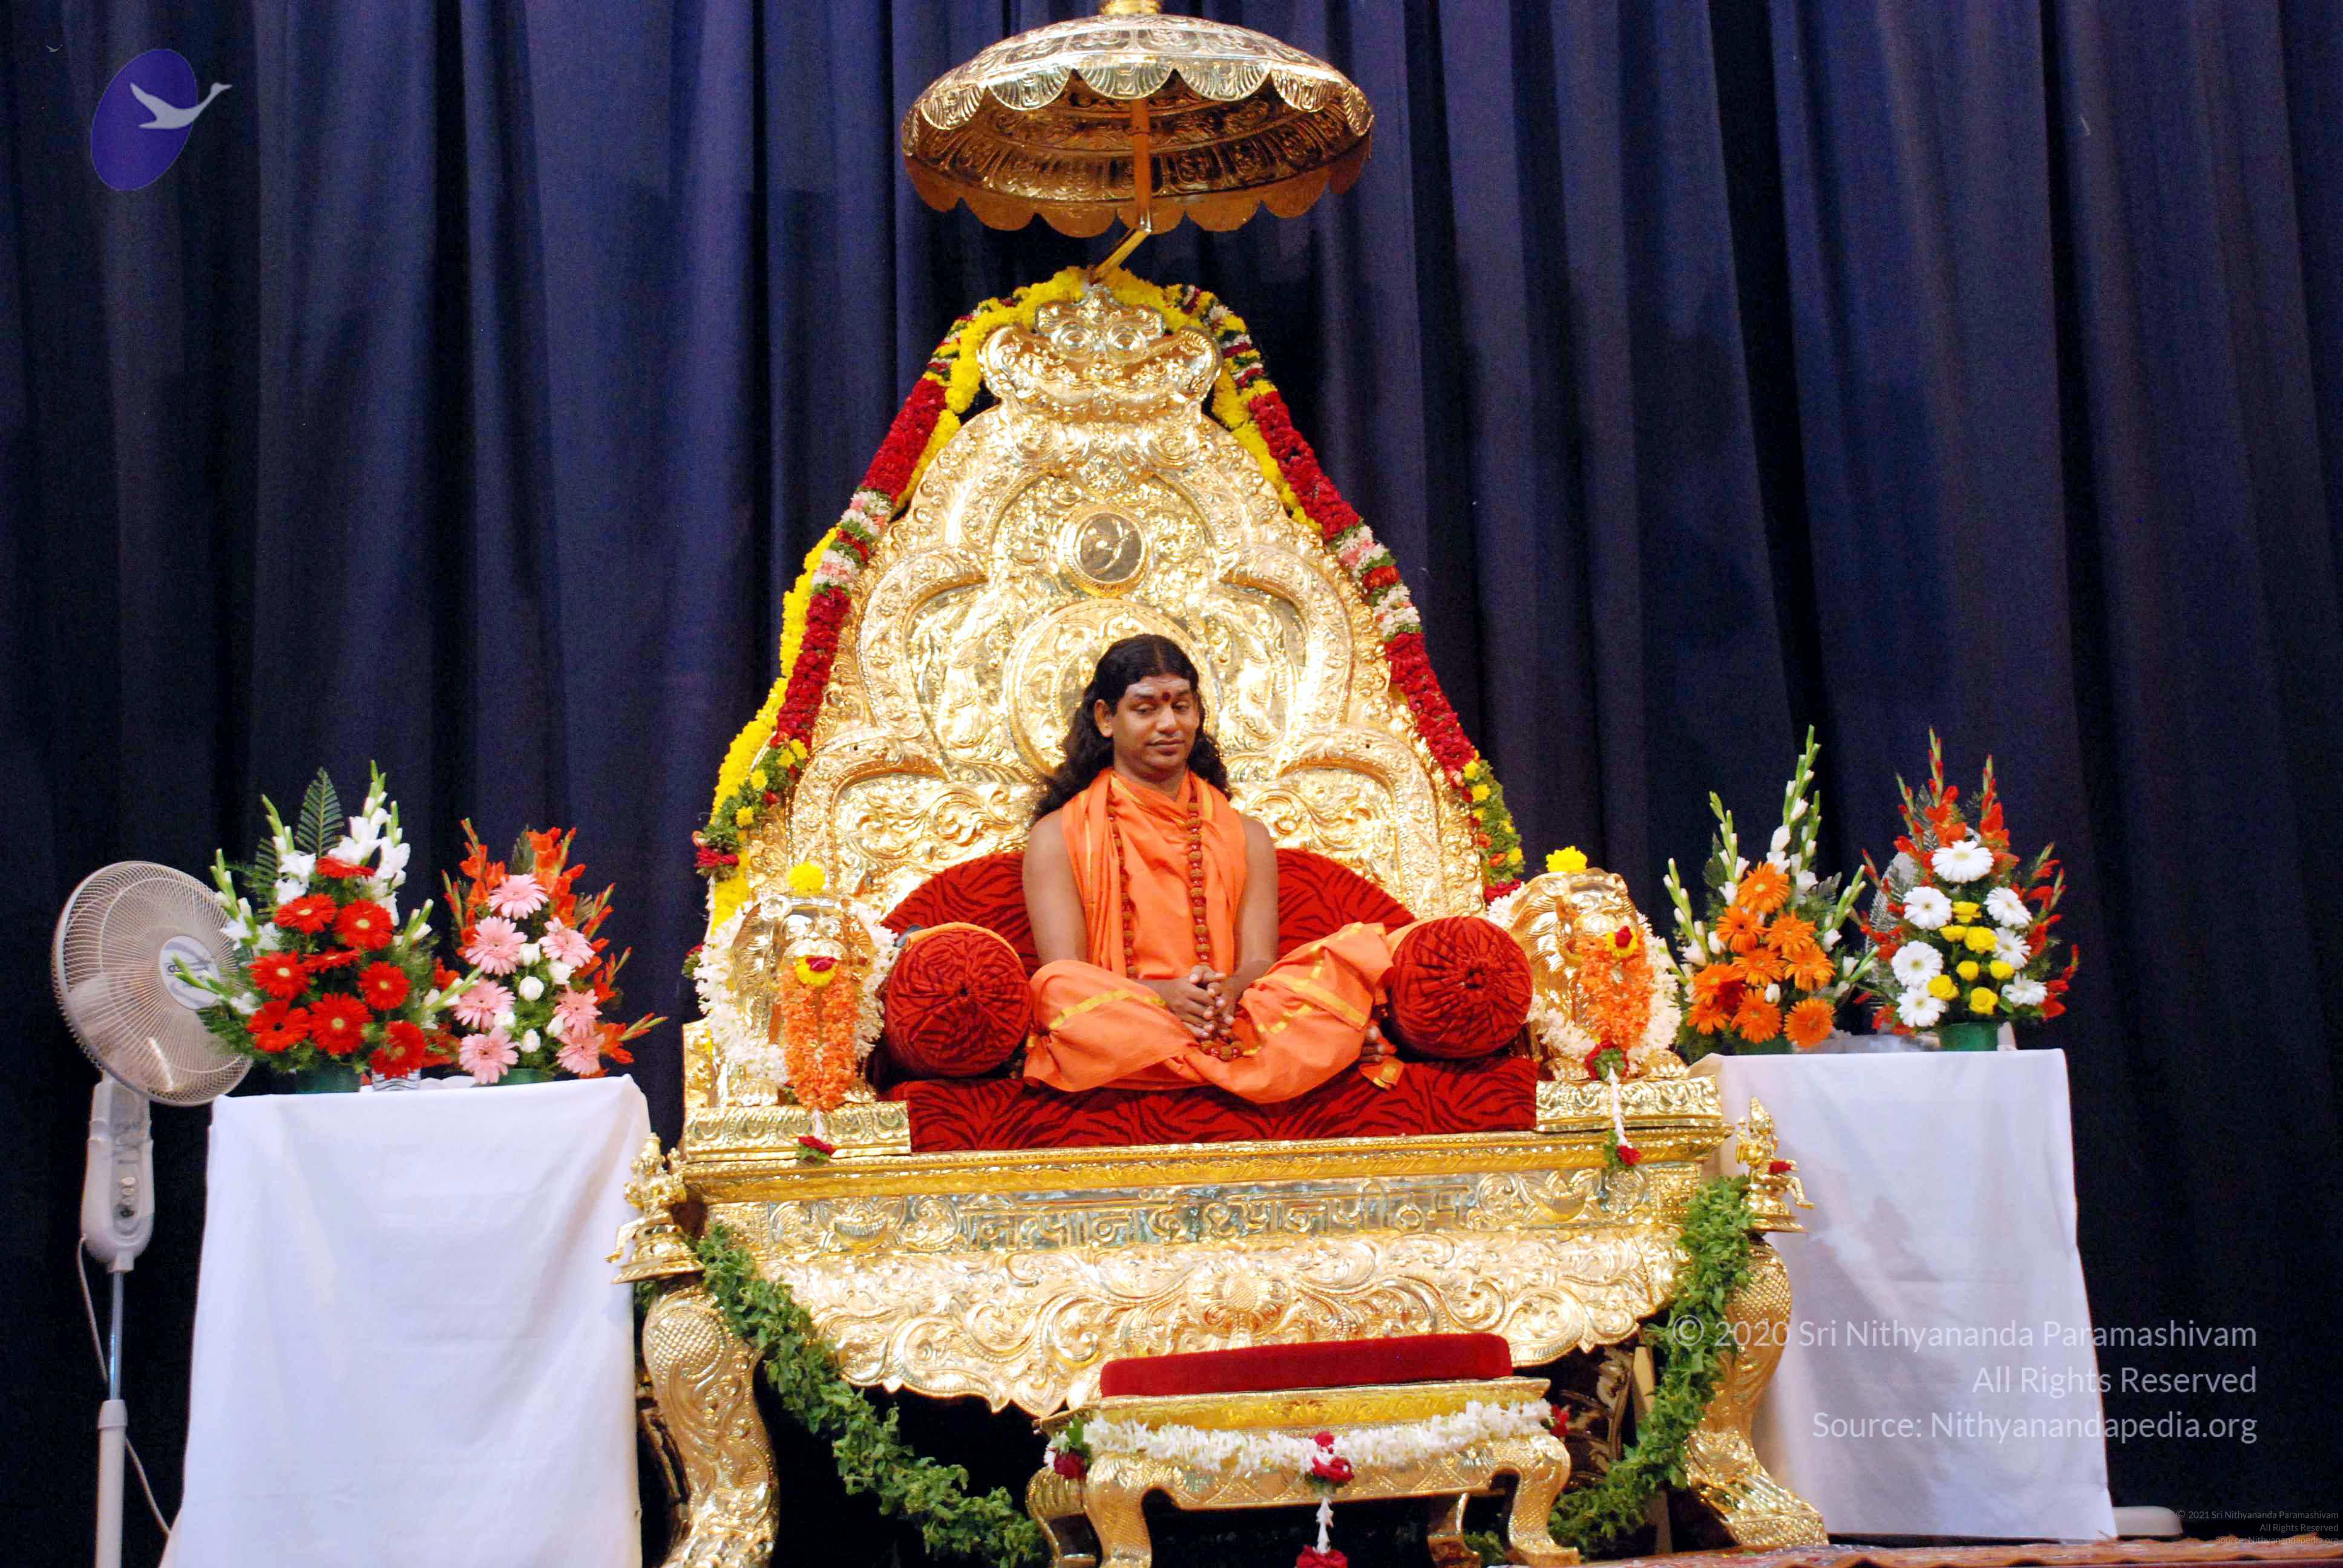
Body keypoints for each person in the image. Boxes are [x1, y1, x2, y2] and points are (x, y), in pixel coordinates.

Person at [1021, 634, 1402, 1101]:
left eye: (1181, 707)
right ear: (1105, 718)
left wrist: (1226, 993)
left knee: (1339, 961)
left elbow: (1259, 961)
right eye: (1145, 709)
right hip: (1120, 1014)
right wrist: (1164, 996)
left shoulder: (1246, 834)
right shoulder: (1057, 835)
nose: (1169, 724)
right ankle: (1308, 1052)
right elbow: (1066, 969)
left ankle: (1175, 1058)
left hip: (1227, 1014)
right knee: (1056, 989)